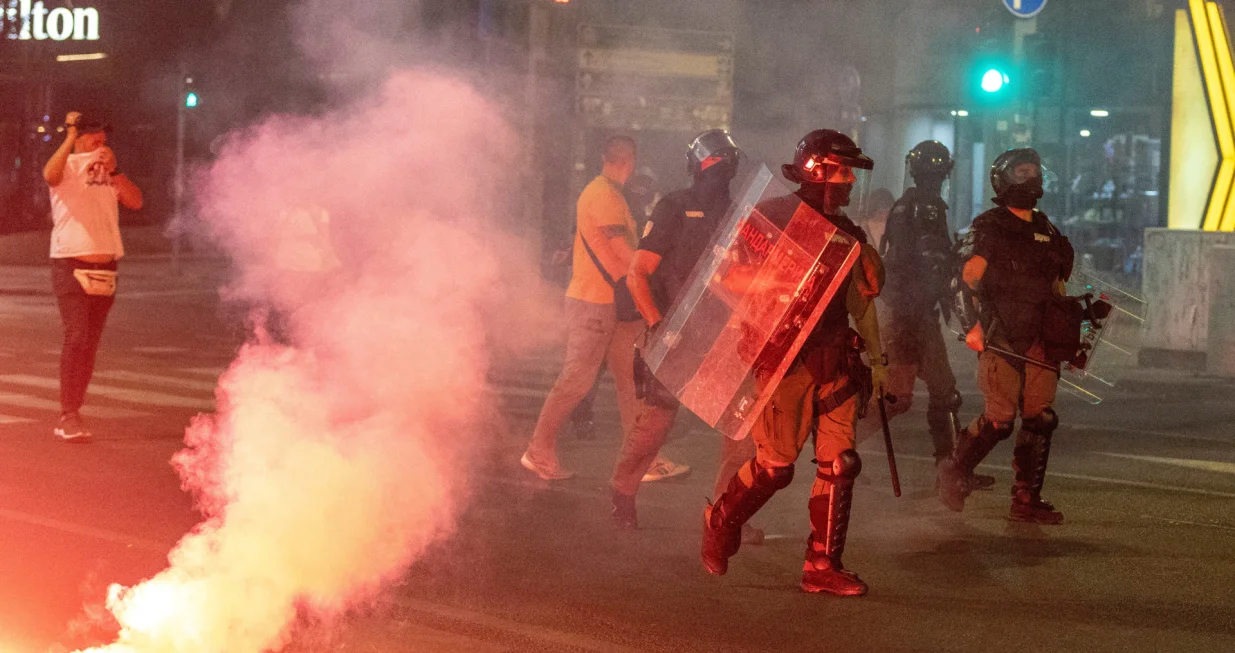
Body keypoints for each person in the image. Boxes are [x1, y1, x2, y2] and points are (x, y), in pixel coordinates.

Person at [700, 130, 886, 596]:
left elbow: (863, 302)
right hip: (783, 357)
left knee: (840, 463)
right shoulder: (772, 217)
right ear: (816, 170)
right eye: (841, 171)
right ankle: (722, 519)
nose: (848, 182)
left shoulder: (850, 234)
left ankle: (821, 565)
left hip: (835, 357)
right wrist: (779, 282)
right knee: (776, 467)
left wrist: (878, 358)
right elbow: (728, 277)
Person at [609, 129, 755, 530]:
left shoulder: (741, 214)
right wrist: (658, 326)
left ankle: (724, 516)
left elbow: (744, 277)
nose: (719, 167)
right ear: (697, 165)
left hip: (725, 338)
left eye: (726, 160)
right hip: (677, 334)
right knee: (656, 423)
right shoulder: (674, 207)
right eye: (714, 159)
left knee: (741, 430)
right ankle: (622, 494)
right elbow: (638, 273)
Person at [936, 148, 1074, 525]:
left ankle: (1027, 499)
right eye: (1021, 171)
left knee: (1041, 418)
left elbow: (1058, 285)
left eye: (1034, 171)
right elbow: (962, 281)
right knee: (999, 420)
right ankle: (954, 468)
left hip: (1040, 339)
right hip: (1002, 335)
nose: (1030, 178)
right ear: (1003, 179)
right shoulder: (990, 228)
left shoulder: (1046, 230)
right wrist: (972, 328)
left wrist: (1074, 322)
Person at [520, 136, 643, 481]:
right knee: (577, 379)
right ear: (629, 162)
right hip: (594, 302)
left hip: (610, 303)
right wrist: (654, 271)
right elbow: (621, 251)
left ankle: (642, 457)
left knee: (630, 379)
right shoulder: (603, 194)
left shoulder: (607, 193)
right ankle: (538, 450)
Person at [880, 141, 993, 489]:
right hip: (911, 313)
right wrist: (957, 262)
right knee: (919, 395)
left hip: (907, 310)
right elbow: (931, 259)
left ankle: (950, 469)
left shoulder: (906, 205)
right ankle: (950, 469)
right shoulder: (925, 206)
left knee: (919, 395)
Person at [42, 111, 143, 441]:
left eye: (103, 134)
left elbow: (135, 201)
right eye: (92, 134)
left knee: (90, 344)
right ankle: (67, 415)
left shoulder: (111, 171)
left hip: (106, 266)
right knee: (77, 337)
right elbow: (49, 174)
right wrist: (69, 137)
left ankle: (75, 409)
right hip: (71, 263)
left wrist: (115, 171)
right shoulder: (68, 165)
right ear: (80, 138)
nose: (100, 139)